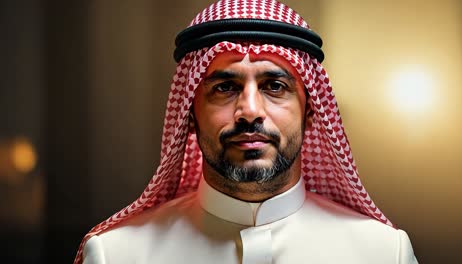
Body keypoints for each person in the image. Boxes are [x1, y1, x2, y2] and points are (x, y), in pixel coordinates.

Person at [75, 0, 419, 263]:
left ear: (311, 112)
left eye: (274, 86)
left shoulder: (384, 253)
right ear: (190, 115)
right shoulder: (116, 254)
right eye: (224, 88)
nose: (250, 111)